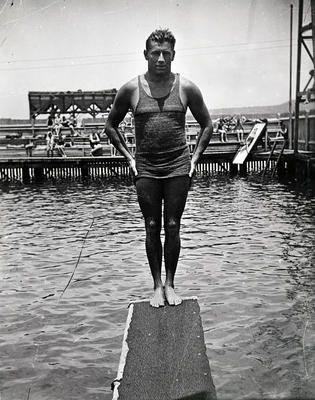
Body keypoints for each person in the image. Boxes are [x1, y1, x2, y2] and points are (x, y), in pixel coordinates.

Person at [105, 28, 213, 308]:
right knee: (152, 226)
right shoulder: (131, 89)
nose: (161, 59)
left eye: (167, 53)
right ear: (146, 55)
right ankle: (156, 286)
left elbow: (207, 125)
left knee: (173, 226)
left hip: (178, 166)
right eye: (156, 53)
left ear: (174, 55)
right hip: (147, 169)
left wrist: (194, 159)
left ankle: (171, 284)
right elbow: (110, 126)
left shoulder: (186, 87)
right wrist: (129, 159)